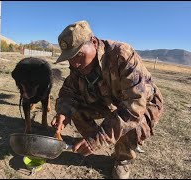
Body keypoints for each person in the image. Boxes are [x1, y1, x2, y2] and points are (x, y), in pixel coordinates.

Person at [51, 20, 164, 179]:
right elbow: (68, 91)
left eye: (79, 55)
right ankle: (92, 142)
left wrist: (98, 138)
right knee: (74, 110)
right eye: (70, 58)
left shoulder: (122, 55)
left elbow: (134, 107)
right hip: (109, 101)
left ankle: (122, 159)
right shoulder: (78, 66)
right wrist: (63, 112)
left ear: (94, 42)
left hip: (143, 104)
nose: (74, 63)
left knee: (131, 126)